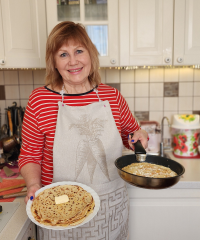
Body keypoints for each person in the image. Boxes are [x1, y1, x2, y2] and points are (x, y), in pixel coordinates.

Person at [18, 21, 148, 240]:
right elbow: (30, 155)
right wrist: (33, 184)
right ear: (54, 62)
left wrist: (140, 136)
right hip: (59, 209)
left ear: (91, 55)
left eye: (79, 51)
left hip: (110, 208)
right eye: (63, 54)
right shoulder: (40, 100)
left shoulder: (112, 96)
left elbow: (131, 136)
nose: (73, 61)